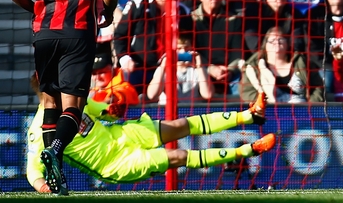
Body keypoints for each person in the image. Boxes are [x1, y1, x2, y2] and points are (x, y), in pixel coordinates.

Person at [7, 0, 118, 196]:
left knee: (49, 102)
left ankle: (54, 178)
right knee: (74, 105)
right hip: (78, 32)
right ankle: (55, 150)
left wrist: (37, 10)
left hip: (44, 35)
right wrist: (107, 12)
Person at [27, 81, 274, 192]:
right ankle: (248, 150)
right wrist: (42, 186)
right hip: (114, 163)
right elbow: (33, 169)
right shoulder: (40, 129)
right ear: (46, 92)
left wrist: (112, 109)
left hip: (123, 134)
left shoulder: (75, 101)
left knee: (180, 124)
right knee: (177, 155)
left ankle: (249, 115)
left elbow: (102, 112)